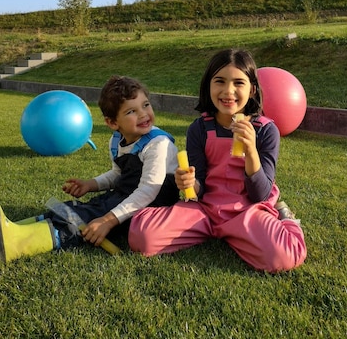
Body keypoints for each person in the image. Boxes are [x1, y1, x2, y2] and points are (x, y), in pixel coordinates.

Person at [129, 49, 307, 273]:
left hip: (246, 211)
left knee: (283, 257)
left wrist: (251, 151)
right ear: (208, 86)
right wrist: (189, 183)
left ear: (252, 89)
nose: (228, 91)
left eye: (238, 83)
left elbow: (260, 193)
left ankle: (286, 218)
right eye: (220, 81)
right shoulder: (200, 128)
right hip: (204, 210)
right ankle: (211, 231)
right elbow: (199, 188)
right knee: (142, 236)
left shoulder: (266, 130)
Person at [0, 75, 179, 264]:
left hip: (150, 206)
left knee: (84, 219)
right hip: (124, 196)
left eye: (145, 105)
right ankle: (8, 230)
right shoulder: (117, 140)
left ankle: (17, 243)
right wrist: (91, 184)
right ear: (112, 123)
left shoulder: (157, 144)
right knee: (75, 208)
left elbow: (148, 191)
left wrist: (108, 220)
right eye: (131, 111)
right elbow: (119, 175)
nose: (143, 114)